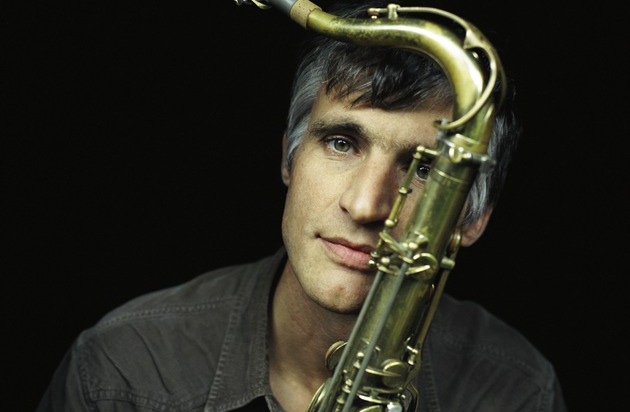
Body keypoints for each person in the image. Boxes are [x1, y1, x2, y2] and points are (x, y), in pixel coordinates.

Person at [37, 1, 567, 411]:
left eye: (425, 169)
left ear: (474, 218)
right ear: (288, 160)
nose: (366, 205)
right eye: (341, 143)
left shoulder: (517, 390)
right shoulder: (122, 370)